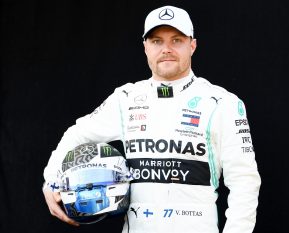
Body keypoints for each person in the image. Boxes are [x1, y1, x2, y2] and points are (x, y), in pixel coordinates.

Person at [42, 5, 261, 233]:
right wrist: (51, 181)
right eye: (157, 41)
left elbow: (245, 181)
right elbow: (77, 134)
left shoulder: (222, 103)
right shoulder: (125, 99)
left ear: (192, 45)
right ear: (145, 47)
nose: (166, 49)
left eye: (176, 40)